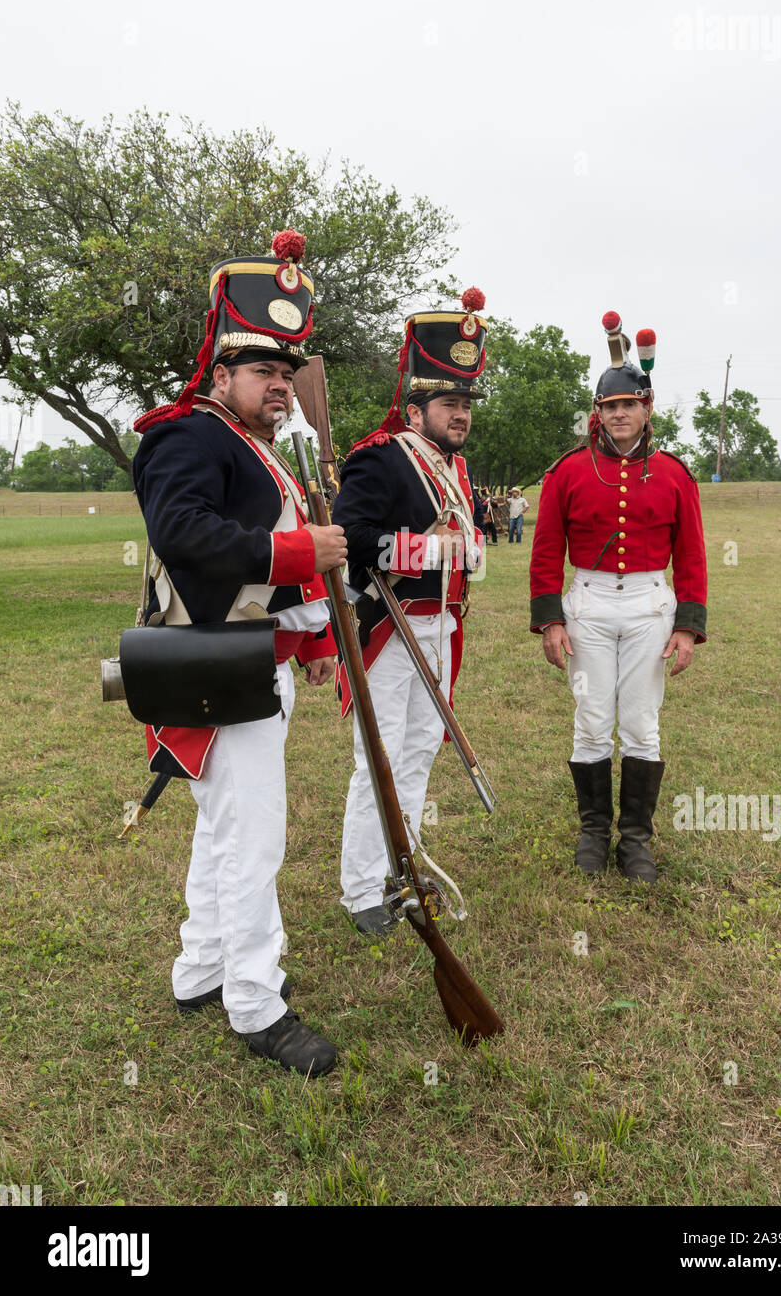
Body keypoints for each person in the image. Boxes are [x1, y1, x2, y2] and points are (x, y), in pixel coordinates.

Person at [131, 229, 346, 1075]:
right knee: (251, 840)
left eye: (287, 375)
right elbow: (186, 536)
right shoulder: (187, 434)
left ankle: (201, 971)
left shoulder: (257, 448)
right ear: (221, 374)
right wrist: (303, 559)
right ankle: (256, 1004)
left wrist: (318, 633)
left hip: (256, 660)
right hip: (212, 666)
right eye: (264, 373)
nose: (280, 388)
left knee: (223, 833)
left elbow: (278, 562)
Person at [529, 311, 707, 884]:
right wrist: (550, 619)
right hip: (589, 606)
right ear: (597, 414)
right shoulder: (569, 472)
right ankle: (592, 830)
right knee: (591, 717)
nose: (620, 414)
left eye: (629, 404)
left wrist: (687, 624)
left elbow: (695, 556)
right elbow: (547, 549)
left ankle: (635, 839)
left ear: (646, 410)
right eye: (610, 406)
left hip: (652, 606)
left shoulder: (676, 475)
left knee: (641, 723)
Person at [332, 288, 488, 935]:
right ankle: (362, 890)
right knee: (381, 759)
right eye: (449, 402)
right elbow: (347, 536)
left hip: (440, 627)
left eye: (465, 404)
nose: (460, 415)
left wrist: (466, 549)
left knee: (421, 751)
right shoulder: (379, 458)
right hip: (389, 627)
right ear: (415, 406)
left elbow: (471, 542)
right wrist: (429, 547)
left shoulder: (457, 470)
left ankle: (403, 864)